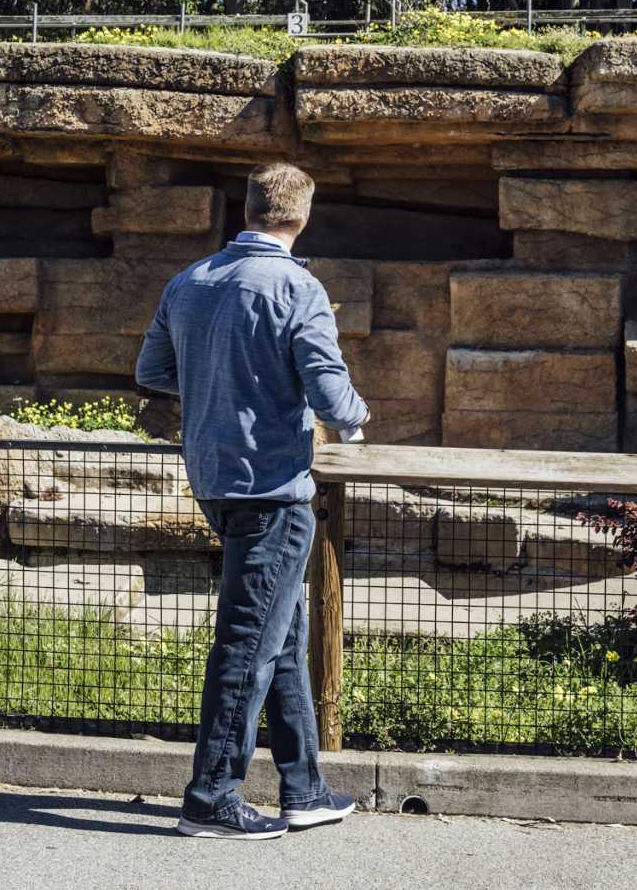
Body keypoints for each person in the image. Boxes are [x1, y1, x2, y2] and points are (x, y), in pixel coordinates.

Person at [134, 161, 370, 840]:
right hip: (272, 487)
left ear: (246, 211)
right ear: (302, 216)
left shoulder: (191, 280)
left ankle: (305, 788)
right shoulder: (299, 288)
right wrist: (356, 418)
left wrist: (218, 391)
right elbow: (330, 395)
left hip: (212, 478)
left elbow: (152, 371)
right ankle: (210, 798)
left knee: (282, 634)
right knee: (248, 643)